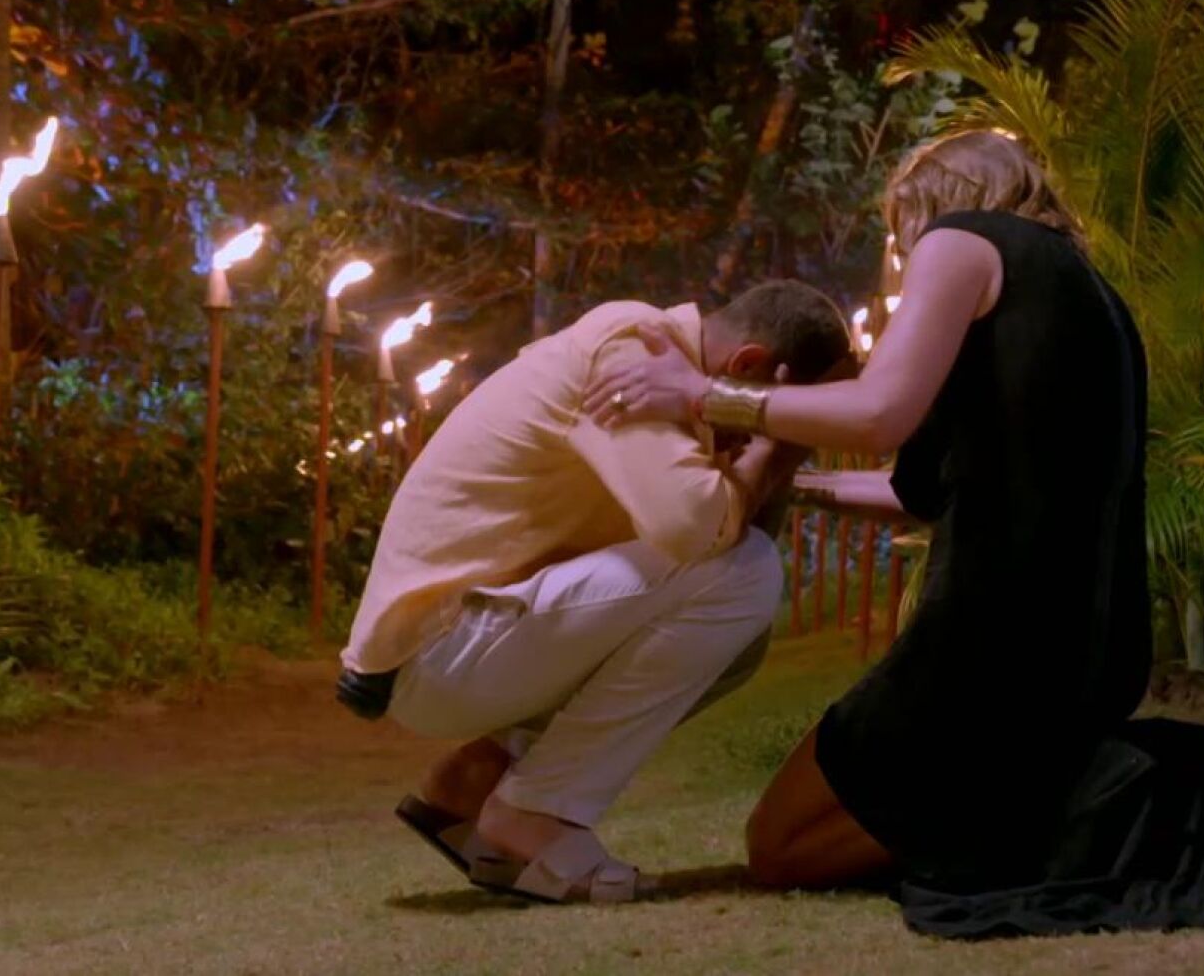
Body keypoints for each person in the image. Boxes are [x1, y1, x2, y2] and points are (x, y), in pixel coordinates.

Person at [586, 130, 1204, 937]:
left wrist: (701, 395)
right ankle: (1062, 797)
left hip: (984, 648)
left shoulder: (963, 240)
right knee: (837, 825)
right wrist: (799, 486)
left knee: (778, 846)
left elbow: (880, 413)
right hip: (1092, 658)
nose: (904, 252)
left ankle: (1101, 809)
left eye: (901, 230)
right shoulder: (1089, 297)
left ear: (932, 207)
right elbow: (925, 493)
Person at [335, 281, 852, 905]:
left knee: (740, 636)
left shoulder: (670, 375)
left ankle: (477, 778)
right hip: (440, 643)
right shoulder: (633, 353)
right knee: (745, 576)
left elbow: (734, 524)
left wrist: (774, 448)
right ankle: (535, 812)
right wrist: (773, 438)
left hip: (466, 640)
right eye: (791, 405)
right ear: (747, 366)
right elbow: (697, 527)